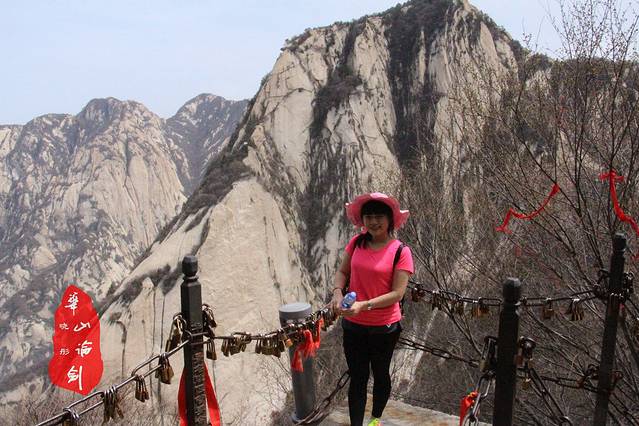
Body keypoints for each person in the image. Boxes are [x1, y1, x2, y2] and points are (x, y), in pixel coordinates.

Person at [331, 192, 414, 426]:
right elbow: (343, 272)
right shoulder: (356, 243)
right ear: (362, 219)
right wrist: (337, 293)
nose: (373, 221)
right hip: (353, 324)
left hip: (383, 326)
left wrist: (364, 305)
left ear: (390, 220)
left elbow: (398, 293)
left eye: (379, 216)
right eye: (368, 216)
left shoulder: (401, 251)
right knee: (358, 377)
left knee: (380, 374)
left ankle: (375, 419)